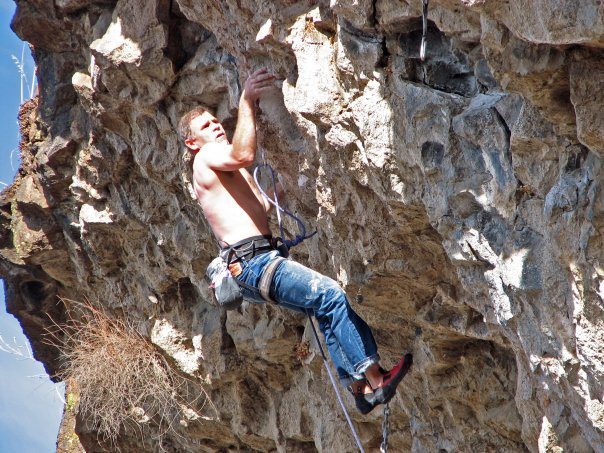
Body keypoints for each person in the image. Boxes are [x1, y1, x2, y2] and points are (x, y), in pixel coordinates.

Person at [178, 68, 412, 414]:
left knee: (322, 308)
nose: (216, 126)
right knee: (330, 294)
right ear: (192, 142)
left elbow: (262, 198)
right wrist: (246, 101)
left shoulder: (226, 171)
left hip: (257, 264)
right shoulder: (206, 158)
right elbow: (243, 155)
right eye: (206, 126)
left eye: (216, 121)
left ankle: (360, 389)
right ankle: (375, 378)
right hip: (255, 265)